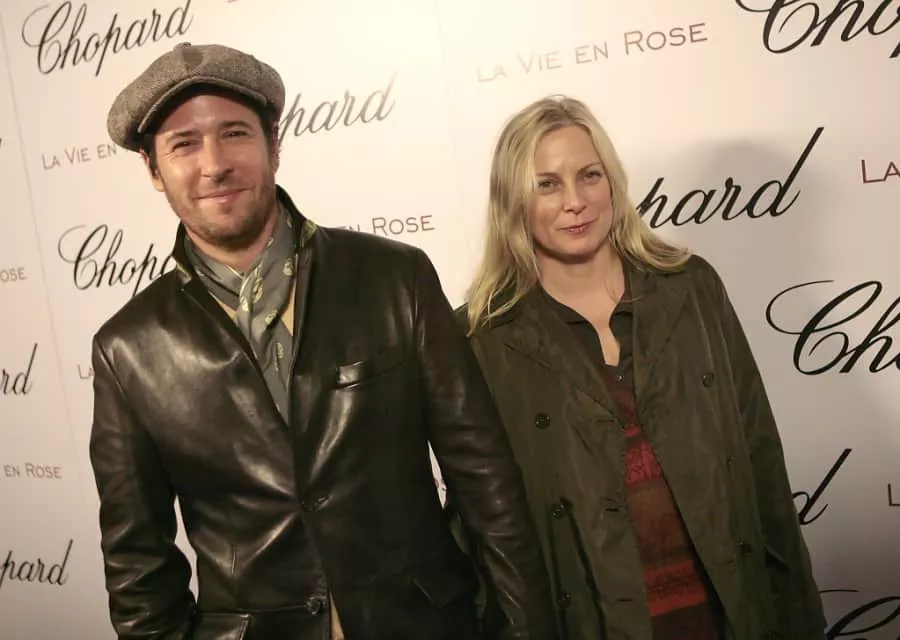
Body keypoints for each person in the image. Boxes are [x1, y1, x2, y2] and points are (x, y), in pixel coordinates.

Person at [89, 42, 557, 640]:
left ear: (274, 144)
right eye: (183, 144)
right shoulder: (128, 349)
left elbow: (486, 480)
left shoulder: (394, 278)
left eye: (234, 133)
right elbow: (138, 567)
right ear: (153, 169)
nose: (214, 164)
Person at [456, 95, 826, 639]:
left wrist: (798, 618)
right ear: (513, 200)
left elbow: (759, 457)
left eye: (589, 175)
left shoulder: (692, 288)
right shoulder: (481, 338)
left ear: (612, 182)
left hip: (727, 614)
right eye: (547, 184)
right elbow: (478, 526)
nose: (575, 201)